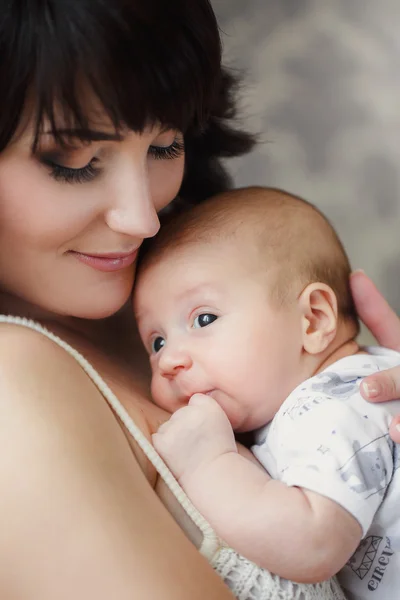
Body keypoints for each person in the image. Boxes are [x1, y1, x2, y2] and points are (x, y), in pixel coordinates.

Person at [0, 1, 399, 598]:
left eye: (165, 146)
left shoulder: (187, 279)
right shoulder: (14, 388)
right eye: (74, 162)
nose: (142, 219)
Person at [133, 186, 400, 600]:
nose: (169, 361)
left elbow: (313, 543)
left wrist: (208, 463)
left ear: (311, 320)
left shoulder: (333, 405)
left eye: (204, 318)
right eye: (156, 342)